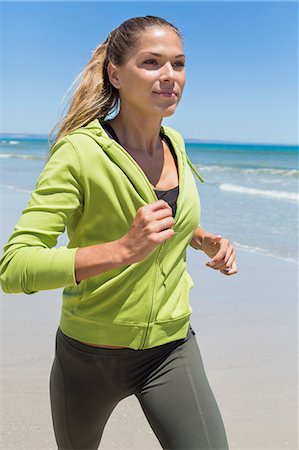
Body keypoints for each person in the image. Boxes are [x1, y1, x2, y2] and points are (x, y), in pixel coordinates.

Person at [0, 15, 238, 450]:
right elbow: (15, 266)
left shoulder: (176, 144)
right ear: (115, 72)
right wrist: (123, 249)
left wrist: (204, 239)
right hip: (90, 357)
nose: (170, 76)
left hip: (172, 348)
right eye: (151, 62)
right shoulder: (78, 153)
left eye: (178, 64)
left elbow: (167, 219)